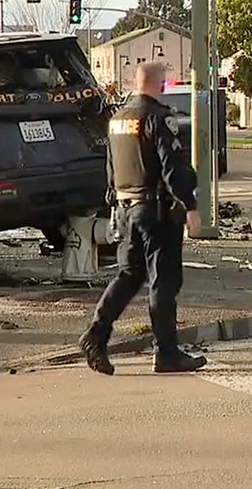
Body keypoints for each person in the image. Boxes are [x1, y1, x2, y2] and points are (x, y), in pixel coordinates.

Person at [80, 61, 206, 375]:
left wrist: (113, 203)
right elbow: (172, 169)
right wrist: (190, 206)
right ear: (160, 85)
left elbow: (111, 169)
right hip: (157, 211)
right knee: (163, 280)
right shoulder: (159, 118)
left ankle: (96, 335)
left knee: (129, 275)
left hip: (125, 210)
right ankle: (166, 352)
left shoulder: (118, 120)